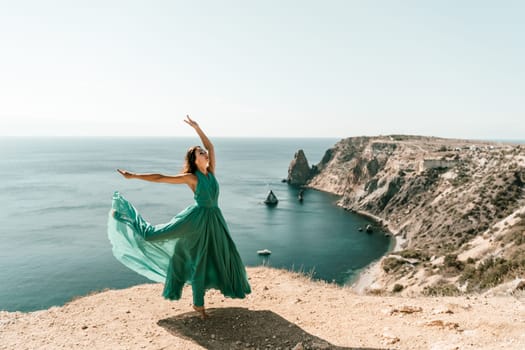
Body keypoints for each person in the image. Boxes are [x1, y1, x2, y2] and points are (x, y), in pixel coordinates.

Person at [107, 115, 251, 319]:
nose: (205, 153)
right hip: (196, 219)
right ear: (194, 160)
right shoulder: (192, 178)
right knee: (153, 236)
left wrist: (197, 128)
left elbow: (210, 146)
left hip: (214, 221)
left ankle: (198, 305)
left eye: (204, 152)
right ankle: (126, 217)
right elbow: (161, 178)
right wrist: (134, 175)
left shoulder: (211, 171)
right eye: (201, 153)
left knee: (221, 256)